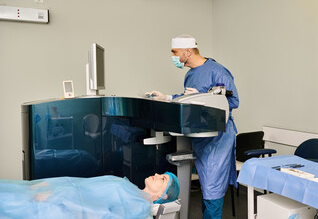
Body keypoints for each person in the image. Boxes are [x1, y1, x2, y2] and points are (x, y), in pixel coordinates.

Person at [148, 35, 239, 218]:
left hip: (218, 138)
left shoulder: (217, 71)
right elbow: (188, 98)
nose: (173, 56)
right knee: (206, 185)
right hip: (201, 136)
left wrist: (205, 97)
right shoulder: (190, 75)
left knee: (212, 187)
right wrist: (166, 97)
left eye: (174, 52)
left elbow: (233, 101)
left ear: (187, 52)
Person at [0, 172, 179, 219]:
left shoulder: (139, 207)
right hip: (58, 200)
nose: (156, 174)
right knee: (10, 194)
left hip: (59, 211)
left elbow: (96, 214)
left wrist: (55, 197)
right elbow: (83, 186)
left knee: (10, 203)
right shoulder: (132, 190)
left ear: (162, 195)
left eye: (162, 179)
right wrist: (54, 188)